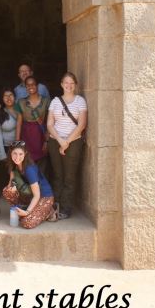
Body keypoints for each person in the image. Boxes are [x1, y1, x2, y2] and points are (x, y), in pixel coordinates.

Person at [47, 72, 87, 220]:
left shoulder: (80, 101)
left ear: (75, 85)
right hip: (55, 140)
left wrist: (67, 142)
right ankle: (54, 206)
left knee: (69, 176)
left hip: (74, 142)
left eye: (72, 83)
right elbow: (50, 123)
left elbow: (82, 123)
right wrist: (60, 140)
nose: (69, 85)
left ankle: (65, 208)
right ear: (61, 84)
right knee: (58, 175)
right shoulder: (55, 101)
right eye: (66, 82)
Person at [2, 141, 55, 229]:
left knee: (27, 222)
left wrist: (27, 212)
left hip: (44, 197)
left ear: (25, 154)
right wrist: (12, 187)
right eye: (14, 153)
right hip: (29, 194)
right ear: (10, 153)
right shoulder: (13, 165)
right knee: (7, 191)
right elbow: (10, 184)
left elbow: (37, 195)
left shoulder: (29, 169)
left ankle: (49, 211)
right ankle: (24, 210)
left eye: (20, 154)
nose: (17, 157)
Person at [15, 76, 50, 171]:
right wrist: (17, 142)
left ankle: (42, 185)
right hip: (27, 136)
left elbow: (49, 122)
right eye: (28, 85)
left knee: (42, 165)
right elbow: (19, 122)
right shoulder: (21, 102)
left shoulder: (46, 101)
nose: (31, 86)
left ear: (37, 85)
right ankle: (32, 185)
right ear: (25, 87)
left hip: (41, 135)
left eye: (33, 84)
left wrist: (46, 141)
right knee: (28, 164)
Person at [0, 88, 18, 190]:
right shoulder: (0, 112)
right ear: (2, 99)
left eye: (11, 95)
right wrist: (2, 153)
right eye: (5, 96)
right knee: (6, 174)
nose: (8, 98)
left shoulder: (20, 109)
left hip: (20, 147)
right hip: (6, 147)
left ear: (15, 97)